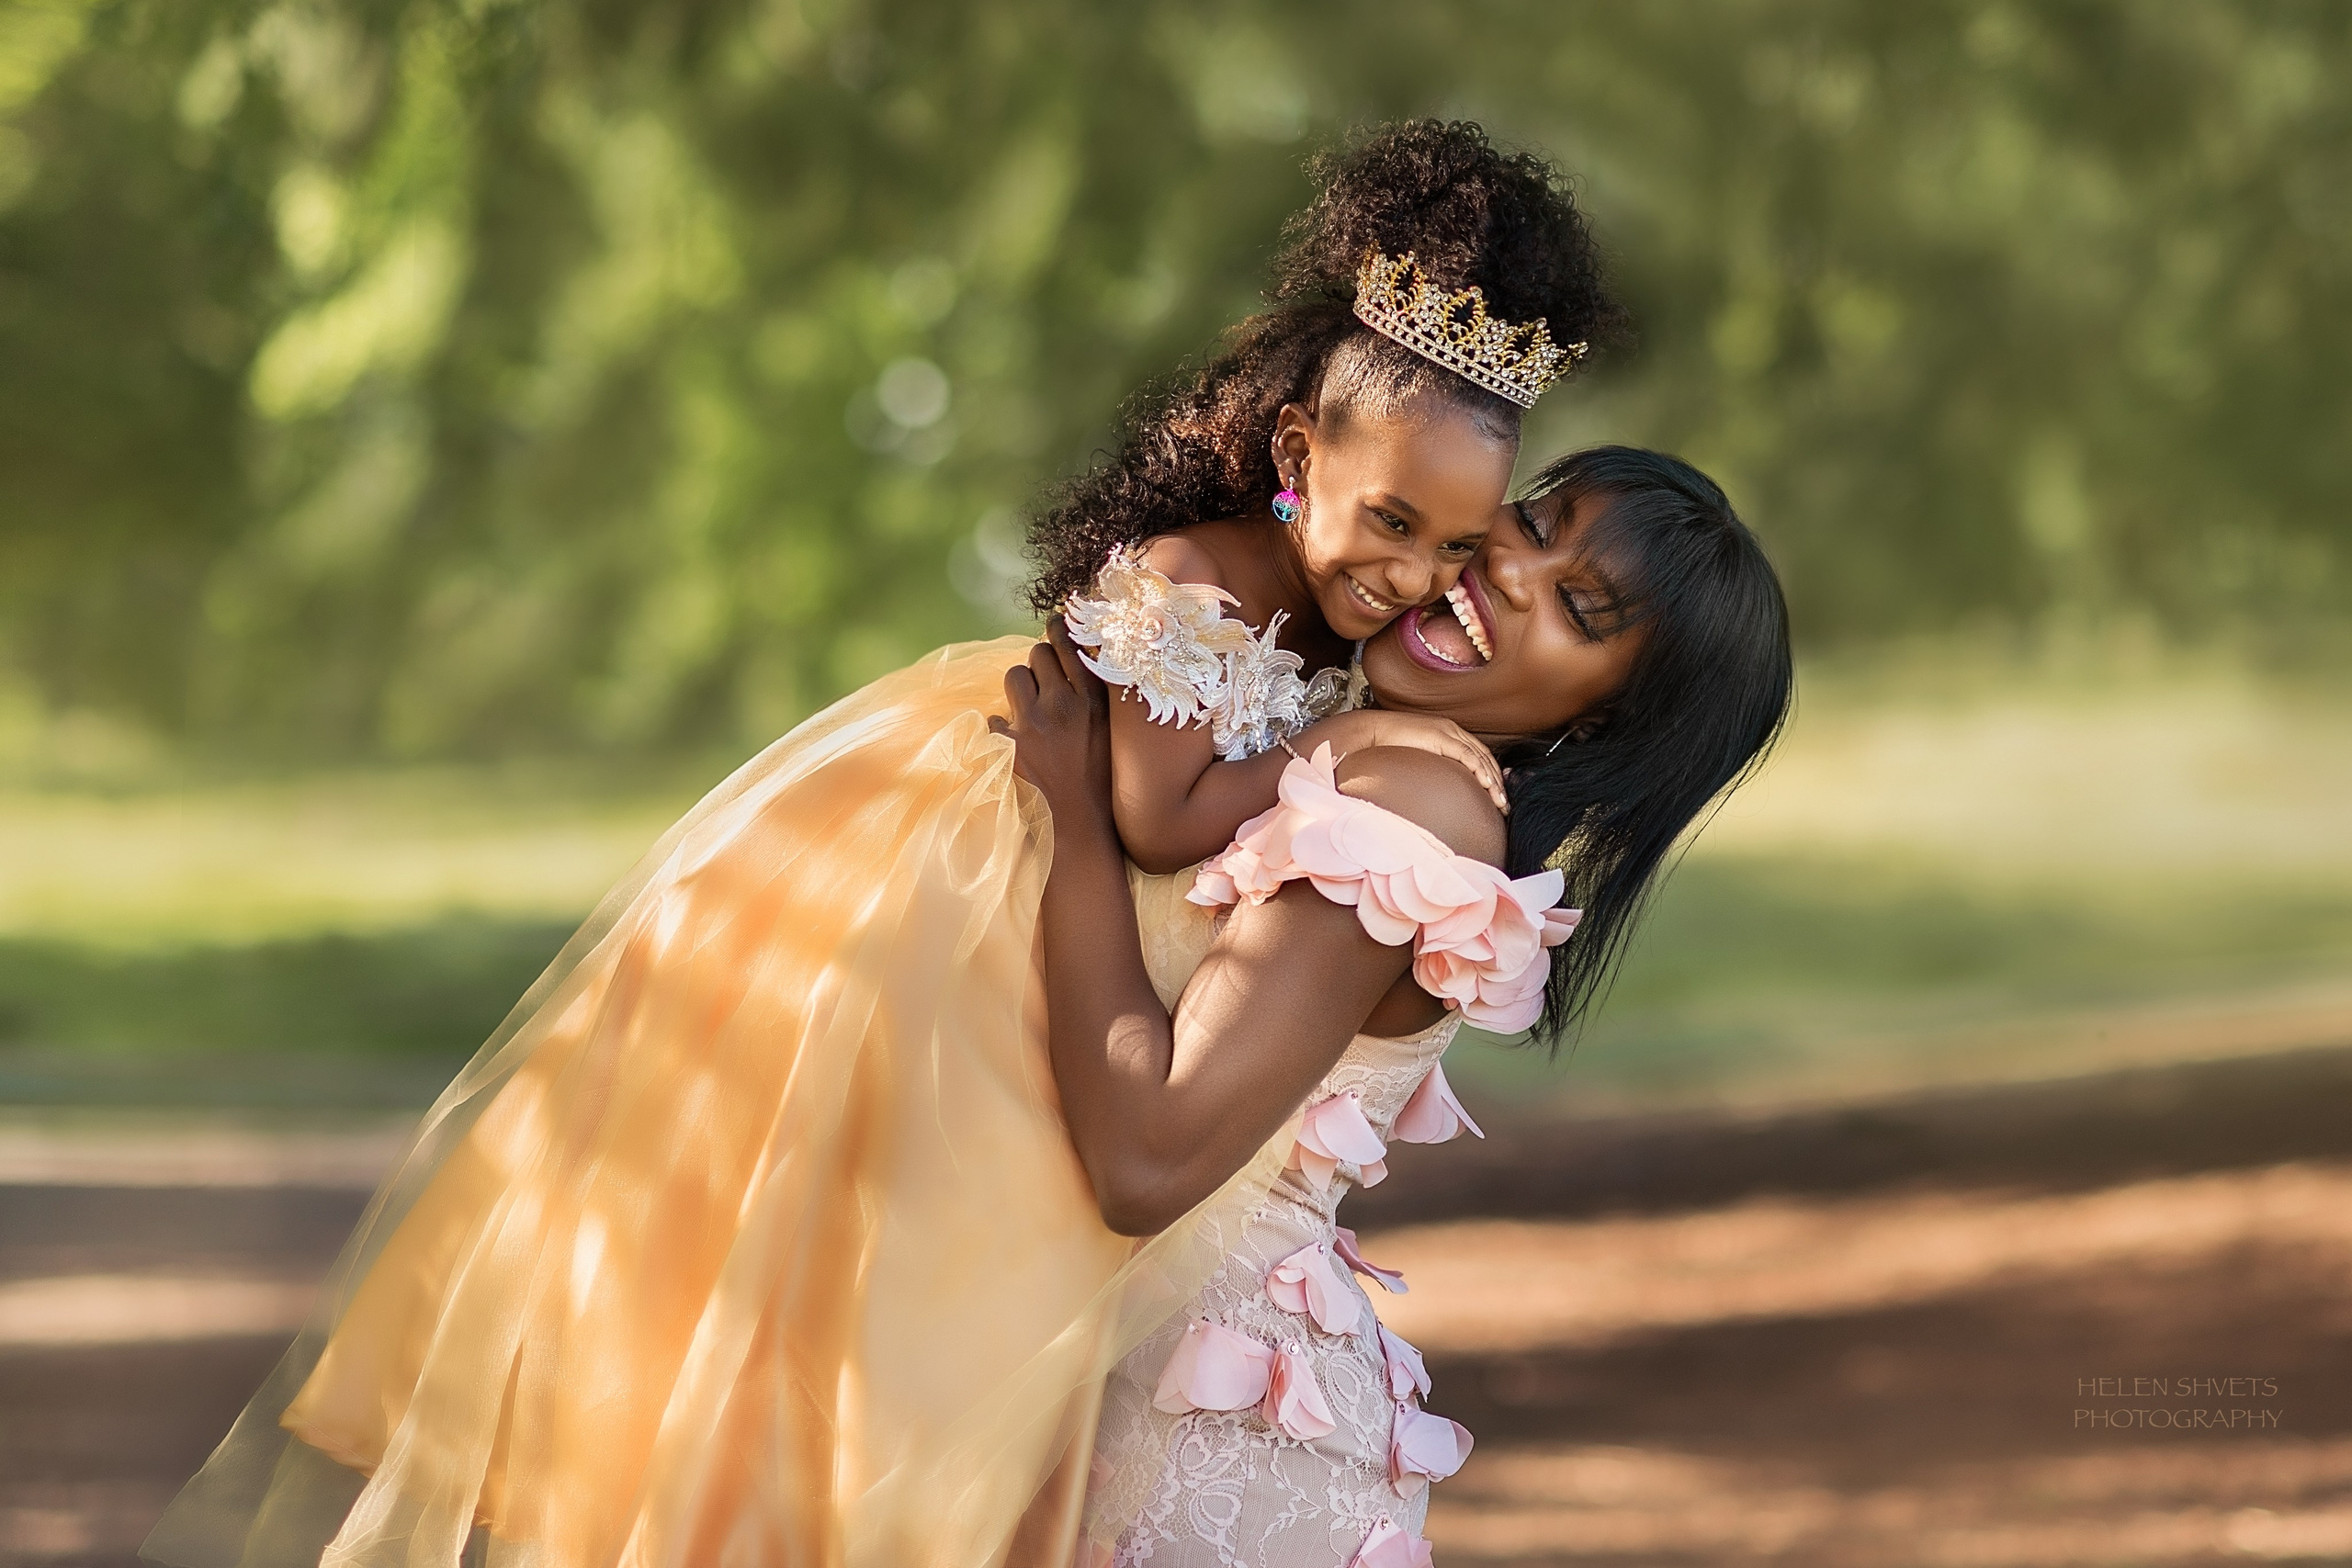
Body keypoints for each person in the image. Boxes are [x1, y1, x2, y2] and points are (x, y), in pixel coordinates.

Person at [141, 122, 1618, 1568]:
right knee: (908, 1246)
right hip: (970, 875)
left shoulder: (1336, 607)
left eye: (1449, 545)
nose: (1414, 574)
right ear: (1299, 450)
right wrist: (1340, 750)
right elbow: (1158, 812)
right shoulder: (1209, 578)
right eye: (1393, 522)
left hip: (1062, 889)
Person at [995, 446, 1794, 1565]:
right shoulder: (1332, 738)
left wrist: (1075, 819)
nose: (1512, 567)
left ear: (1606, 723)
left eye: (1579, 605)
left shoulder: (1412, 816)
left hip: (1214, 1462)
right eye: (1534, 520)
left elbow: (1145, 1159)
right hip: (1111, 1396)